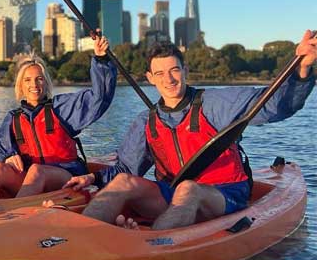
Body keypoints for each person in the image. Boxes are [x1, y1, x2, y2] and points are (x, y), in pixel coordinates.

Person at [62, 31, 316, 230]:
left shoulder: (215, 104)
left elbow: (274, 106)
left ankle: (153, 245)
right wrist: (93, 179)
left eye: (174, 70)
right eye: (160, 73)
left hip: (226, 193)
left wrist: (302, 71)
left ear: (184, 71)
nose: (169, 79)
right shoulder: (145, 122)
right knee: (123, 182)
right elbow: (126, 170)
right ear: (150, 78)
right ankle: (80, 236)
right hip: (174, 194)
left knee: (189, 189)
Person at [0, 34, 116, 198]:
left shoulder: (61, 108)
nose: (34, 85)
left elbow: (98, 99)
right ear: (21, 86)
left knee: (38, 170)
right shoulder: (13, 118)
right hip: (32, 180)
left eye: (39, 79)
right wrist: (8, 156)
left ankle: (12, 215)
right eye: (28, 80)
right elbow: (2, 150)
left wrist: (101, 60)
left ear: (46, 83)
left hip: (66, 176)